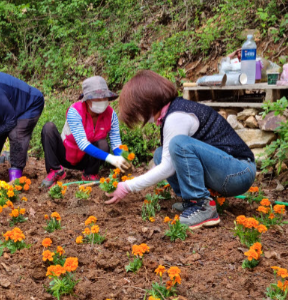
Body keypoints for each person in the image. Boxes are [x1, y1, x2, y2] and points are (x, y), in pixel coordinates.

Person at [105, 70, 256, 229]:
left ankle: (202, 206)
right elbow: (167, 162)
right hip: (226, 171)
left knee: (178, 145)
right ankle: (191, 201)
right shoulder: (173, 111)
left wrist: (128, 186)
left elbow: (168, 166)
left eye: (137, 112)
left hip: (239, 173)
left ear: (146, 103)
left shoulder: (176, 116)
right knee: (159, 154)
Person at [40, 76, 130, 189]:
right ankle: (56, 170)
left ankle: (90, 173)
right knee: (48, 128)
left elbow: (116, 142)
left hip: (87, 159)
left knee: (103, 144)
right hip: (66, 155)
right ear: (87, 100)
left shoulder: (111, 115)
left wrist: (121, 158)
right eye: (97, 98)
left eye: (104, 98)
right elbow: (82, 143)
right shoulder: (75, 111)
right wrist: (111, 158)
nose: (101, 101)